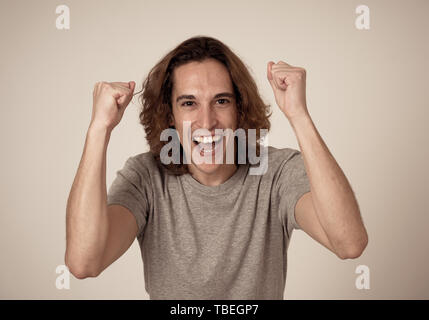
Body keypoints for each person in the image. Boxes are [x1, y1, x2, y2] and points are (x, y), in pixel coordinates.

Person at [65, 36, 368, 299]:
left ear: (239, 109)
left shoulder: (276, 172)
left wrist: (299, 115)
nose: (207, 122)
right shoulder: (146, 177)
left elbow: (349, 242)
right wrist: (99, 129)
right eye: (189, 103)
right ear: (169, 114)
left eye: (221, 101)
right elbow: (84, 262)